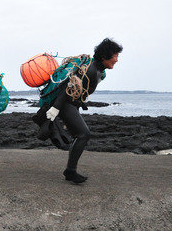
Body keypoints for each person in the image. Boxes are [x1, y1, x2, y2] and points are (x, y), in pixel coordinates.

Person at [41, 38, 122, 184]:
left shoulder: (99, 71)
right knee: (84, 134)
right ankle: (70, 171)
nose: (117, 59)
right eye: (115, 55)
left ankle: (70, 170)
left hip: (72, 104)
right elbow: (68, 87)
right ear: (104, 56)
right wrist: (55, 109)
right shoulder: (90, 69)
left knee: (79, 136)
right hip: (65, 103)